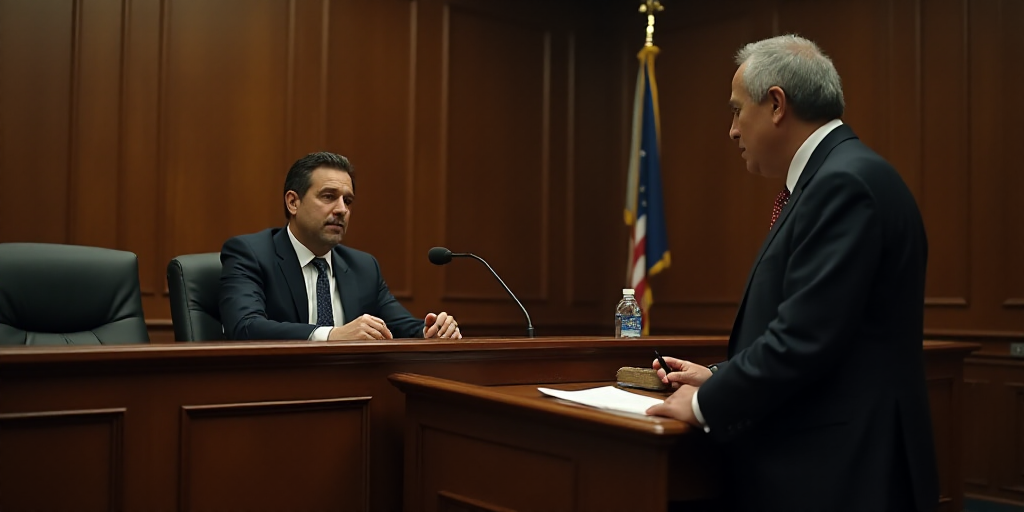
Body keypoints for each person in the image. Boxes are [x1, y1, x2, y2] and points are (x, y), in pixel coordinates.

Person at [645, 35, 939, 511]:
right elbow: (828, 332)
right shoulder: (839, 175)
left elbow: (805, 340)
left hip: (844, 473)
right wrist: (717, 376)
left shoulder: (842, 184)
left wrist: (703, 404)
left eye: (737, 110)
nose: (732, 131)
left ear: (777, 104)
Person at [219, 151, 462, 341]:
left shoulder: (363, 266)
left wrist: (431, 330)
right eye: (328, 196)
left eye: (348, 200)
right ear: (293, 202)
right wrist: (331, 335)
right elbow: (244, 326)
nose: (342, 209)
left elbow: (398, 325)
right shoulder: (251, 253)